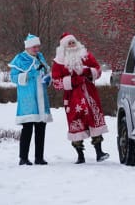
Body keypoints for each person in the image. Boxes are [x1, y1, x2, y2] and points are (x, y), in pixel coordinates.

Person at [51, 33, 109, 164]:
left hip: (89, 94)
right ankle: (80, 155)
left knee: (94, 119)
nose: (72, 45)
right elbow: (56, 82)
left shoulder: (86, 55)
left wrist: (89, 72)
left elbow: (97, 69)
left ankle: (99, 152)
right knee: (75, 122)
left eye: (73, 43)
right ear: (64, 47)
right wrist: (72, 81)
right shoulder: (59, 62)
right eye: (68, 43)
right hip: (72, 97)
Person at [8, 34, 53, 166]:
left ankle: (39, 157)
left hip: (41, 98)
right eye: (34, 46)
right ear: (28, 47)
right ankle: (23, 158)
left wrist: (48, 78)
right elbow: (13, 77)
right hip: (28, 98)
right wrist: (28, 75)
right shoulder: (20, 58)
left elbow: (46, 72)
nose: (36, 49)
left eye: (38, 46)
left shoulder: (41, 57)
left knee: (41, 128)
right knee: (27, 129)